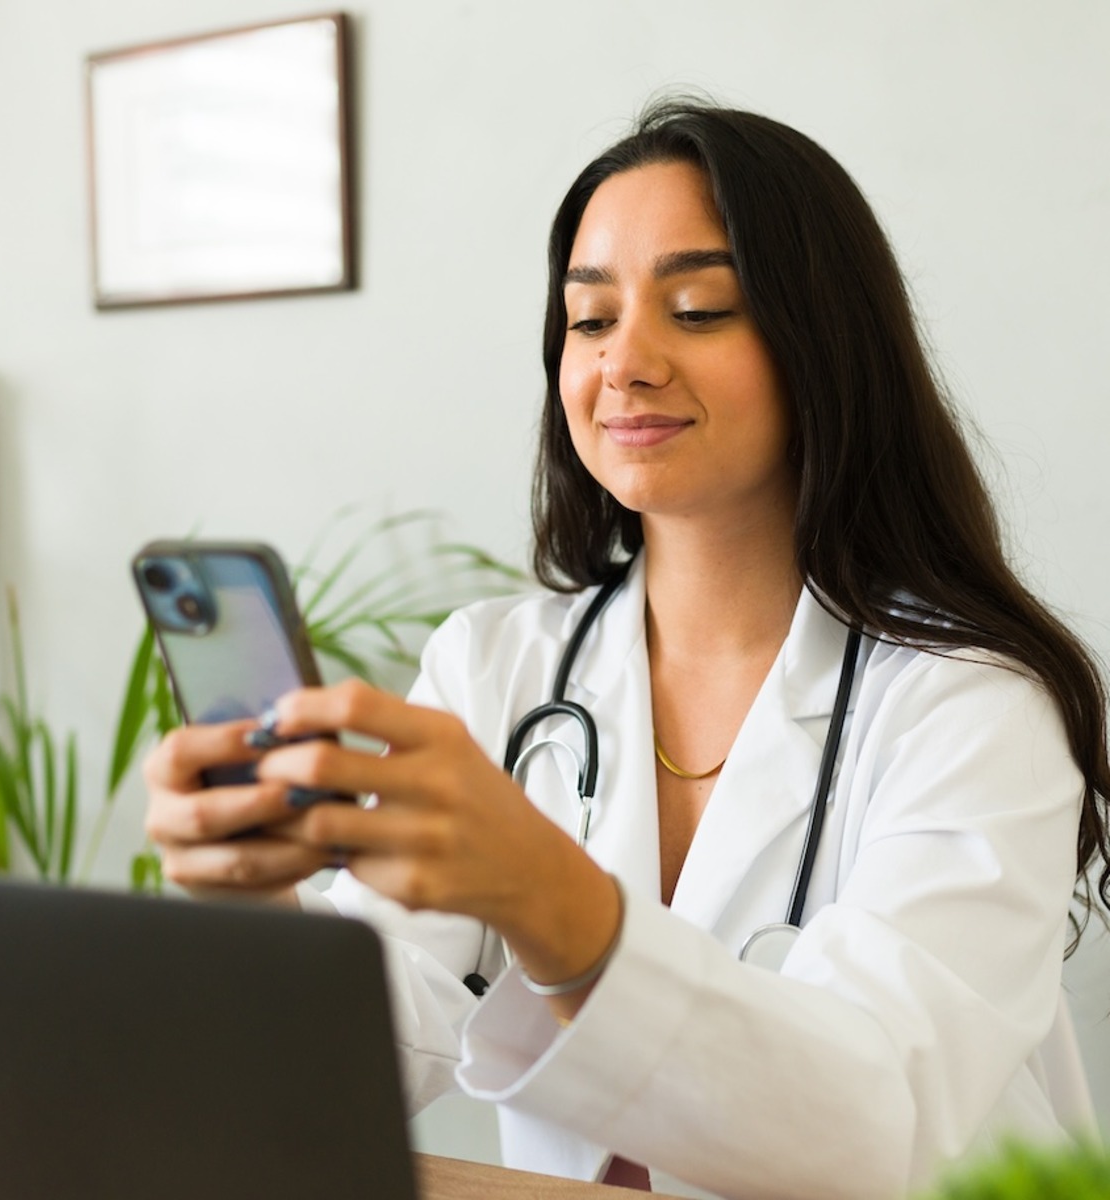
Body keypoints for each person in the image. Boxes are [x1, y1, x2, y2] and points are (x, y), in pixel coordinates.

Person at [143, 99, 1110, 1199]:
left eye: (698, 309)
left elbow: (873, 1134)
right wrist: (248, 896)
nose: (626, 362)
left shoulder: (970, 702)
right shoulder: (494, 665)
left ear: (823, 343)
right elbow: (338, 1064)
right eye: (589, 319)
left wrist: (555, 904)